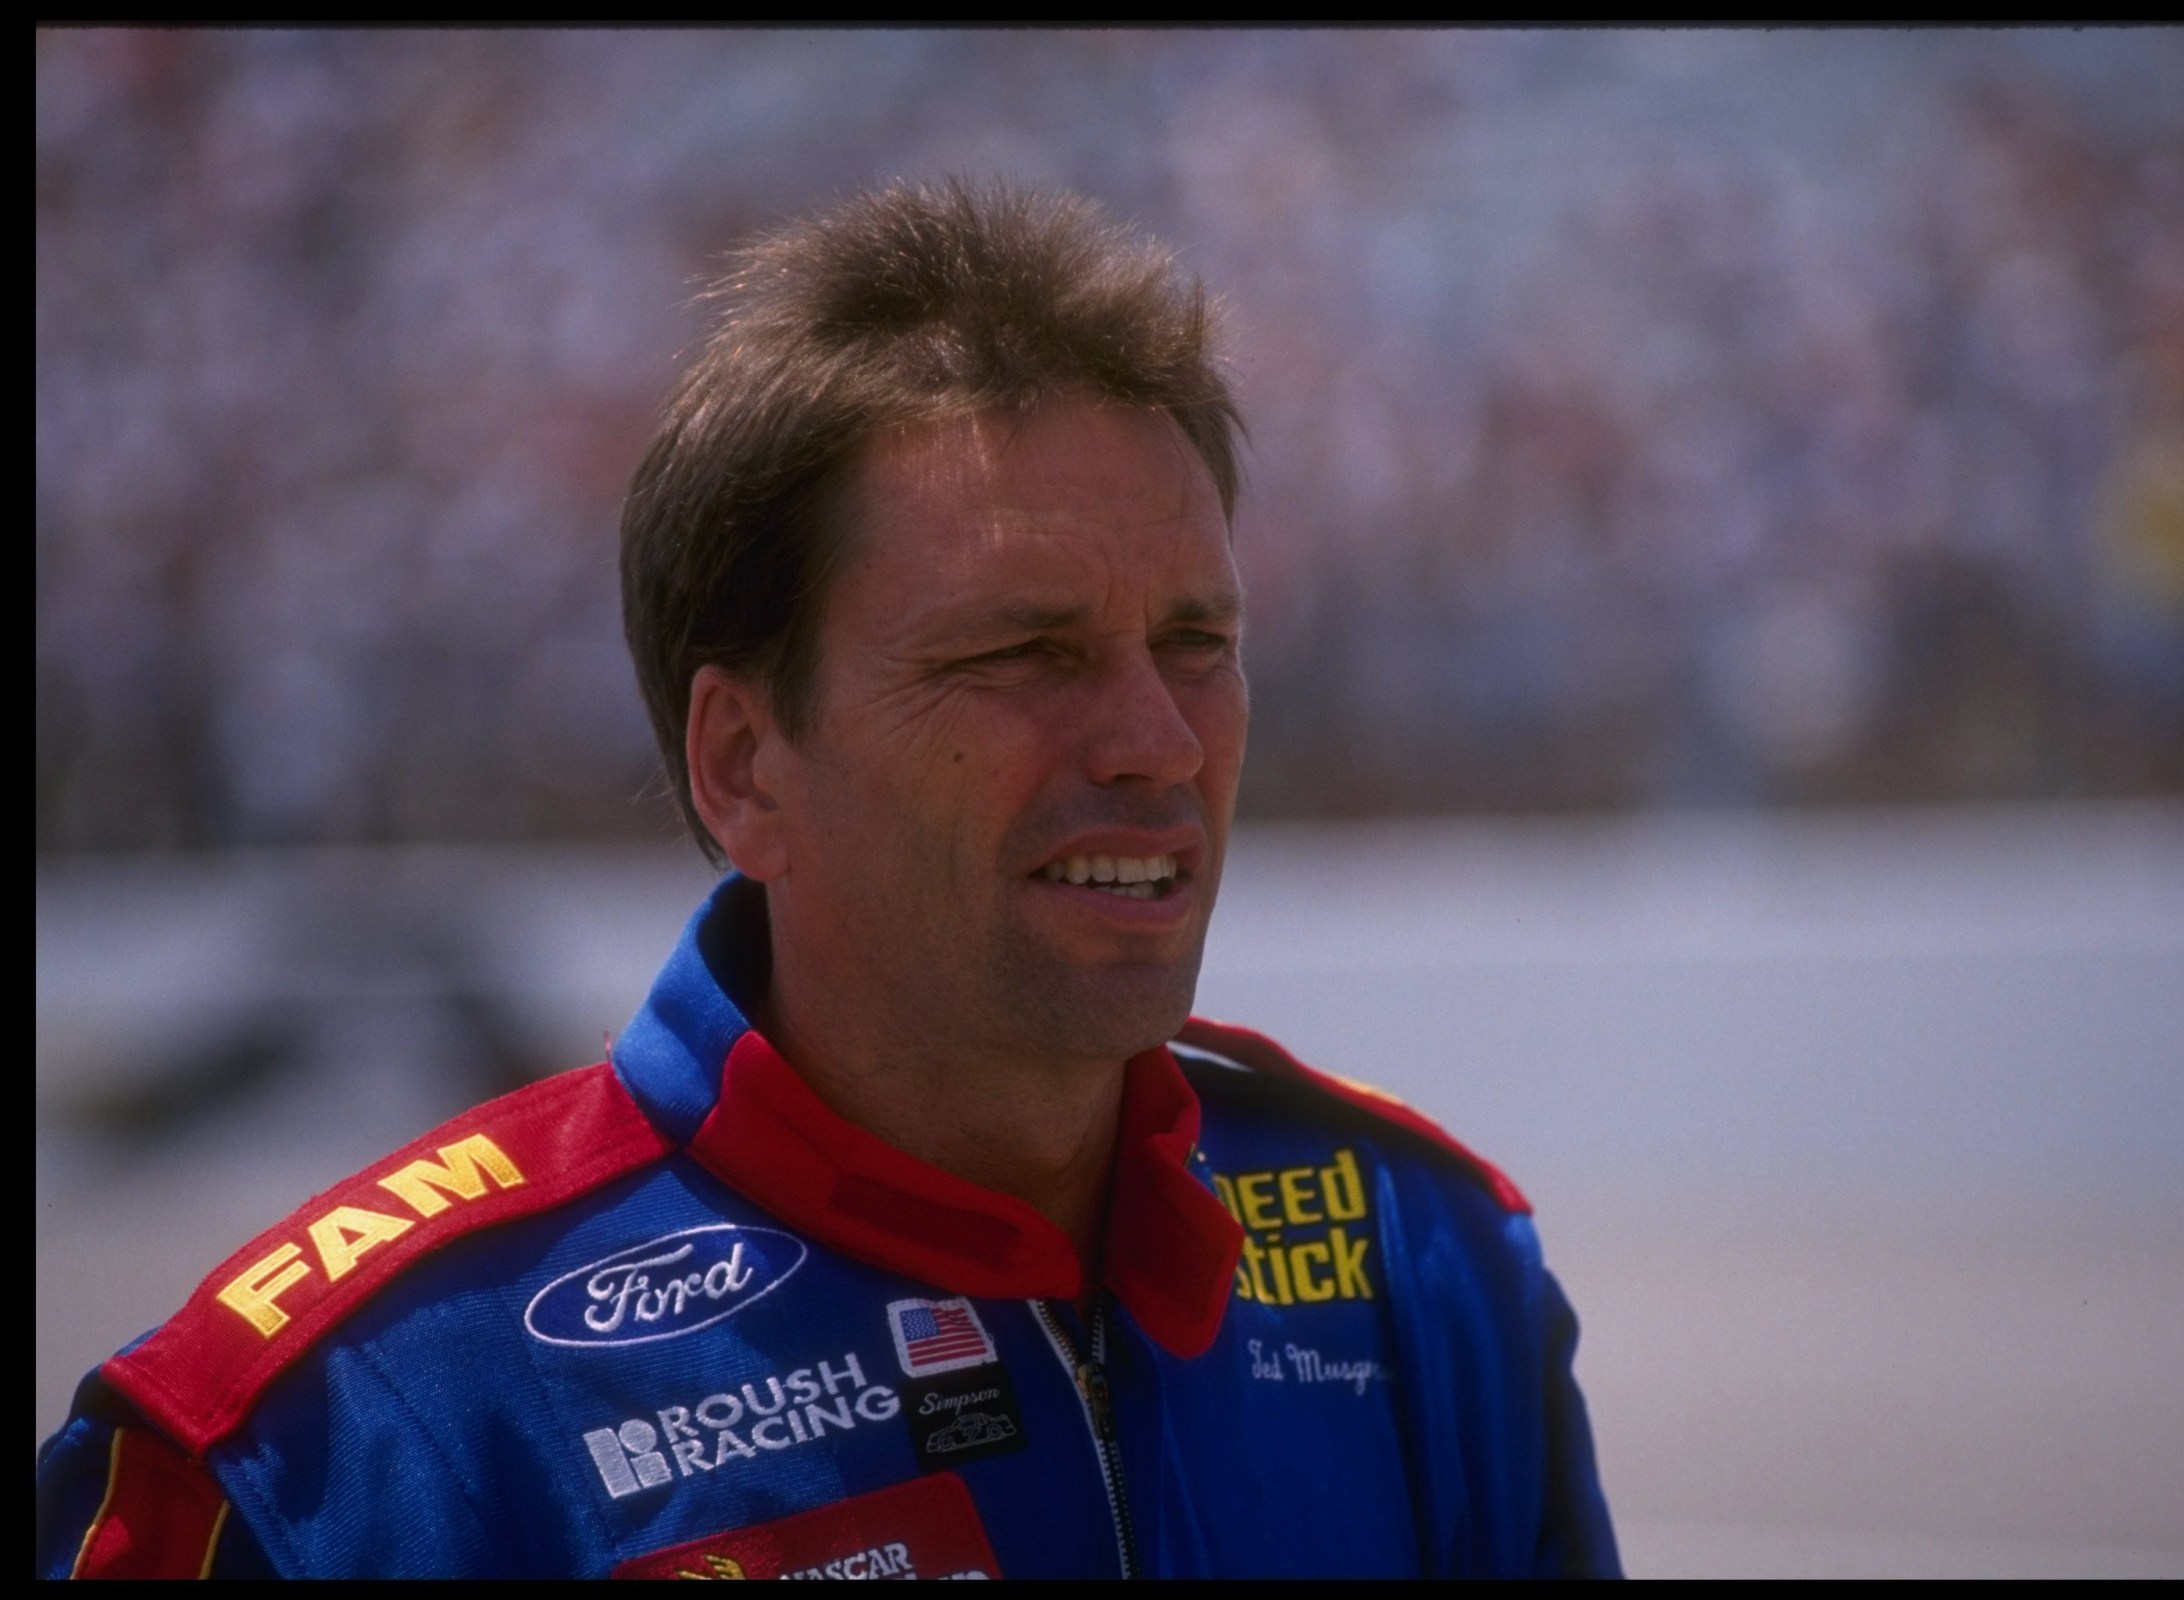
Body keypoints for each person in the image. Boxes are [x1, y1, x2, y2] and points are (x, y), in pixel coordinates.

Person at [35, 179, 1622, 1579]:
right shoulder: (318, 1441)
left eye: (1198, 644)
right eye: (1024, 653)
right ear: (743, 767)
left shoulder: (1422, 1259)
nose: (1157, 739)